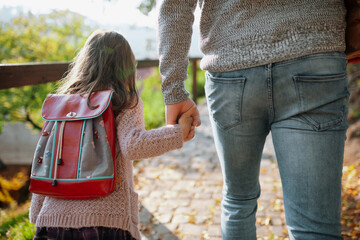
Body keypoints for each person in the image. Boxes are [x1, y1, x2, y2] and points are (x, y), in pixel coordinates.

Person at [157, 0, 348, 239]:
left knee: (238, 201)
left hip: (231, 64)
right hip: (312, 53)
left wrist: (173, 91)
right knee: (314, 227)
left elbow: (175, 5)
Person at [29, 29, 195, 240]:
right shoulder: (123, 101)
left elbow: (46, 162)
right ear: (127, 67)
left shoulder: (61, 105)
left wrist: (38, 214)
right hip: (107, 222)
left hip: (53, 222)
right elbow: (134, 145)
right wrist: (178, 132)